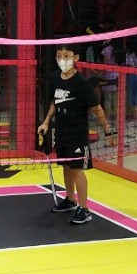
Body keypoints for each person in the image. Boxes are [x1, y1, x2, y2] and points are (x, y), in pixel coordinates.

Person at [37, 43, 111, 225]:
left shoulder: (82, 83)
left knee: (77, 170)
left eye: (66, 56)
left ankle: (84, 209)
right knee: (66, 167)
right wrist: (46, 122)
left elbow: (97, 108)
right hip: (61, 131)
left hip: (77, 134)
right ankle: (70, 200)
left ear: (76, 58)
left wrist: (109, 132)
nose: (62, 60)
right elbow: (55, 102)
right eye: (59, 56)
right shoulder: (55, 77)